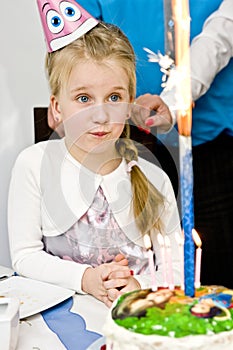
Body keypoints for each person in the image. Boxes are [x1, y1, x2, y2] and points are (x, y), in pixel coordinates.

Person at [8, 6, 182, 308]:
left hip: (137, 321)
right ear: (57, 106)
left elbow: (178, 269)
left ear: (129, 103)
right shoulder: (34, 165)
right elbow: (25, 256)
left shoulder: (154, 178)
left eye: (114, 98)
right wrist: (85, 278)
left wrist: (138, 284)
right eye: (83, 98)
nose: (100, 115)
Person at [78, 0, 233, 289]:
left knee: (216, 278)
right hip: (126, 143)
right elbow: (80, 40)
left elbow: (225, 27)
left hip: (213, 143)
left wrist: (173, 100)